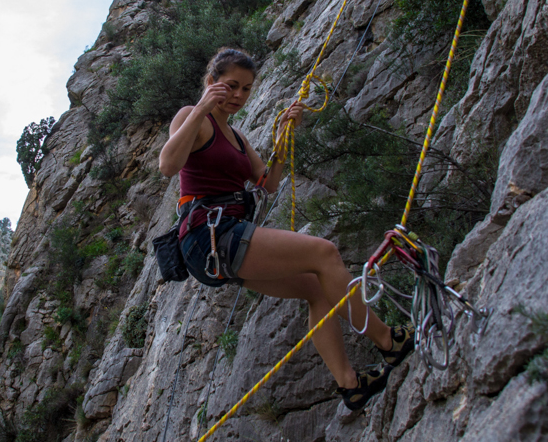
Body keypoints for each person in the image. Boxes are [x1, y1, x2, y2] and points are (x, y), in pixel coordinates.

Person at [158, 48, 414, 411]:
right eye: (231, 86)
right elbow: (168, 166)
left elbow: (268, 182)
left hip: (224, 239)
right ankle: (390, 342)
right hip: (207, 235)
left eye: (246, 89)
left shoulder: (237, 137)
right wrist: (200, 107)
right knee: (324, 253)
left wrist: (282, 134)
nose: (238, 96)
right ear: (212, 82)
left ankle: (350, 385)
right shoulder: (193, 117)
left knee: (319, 289)